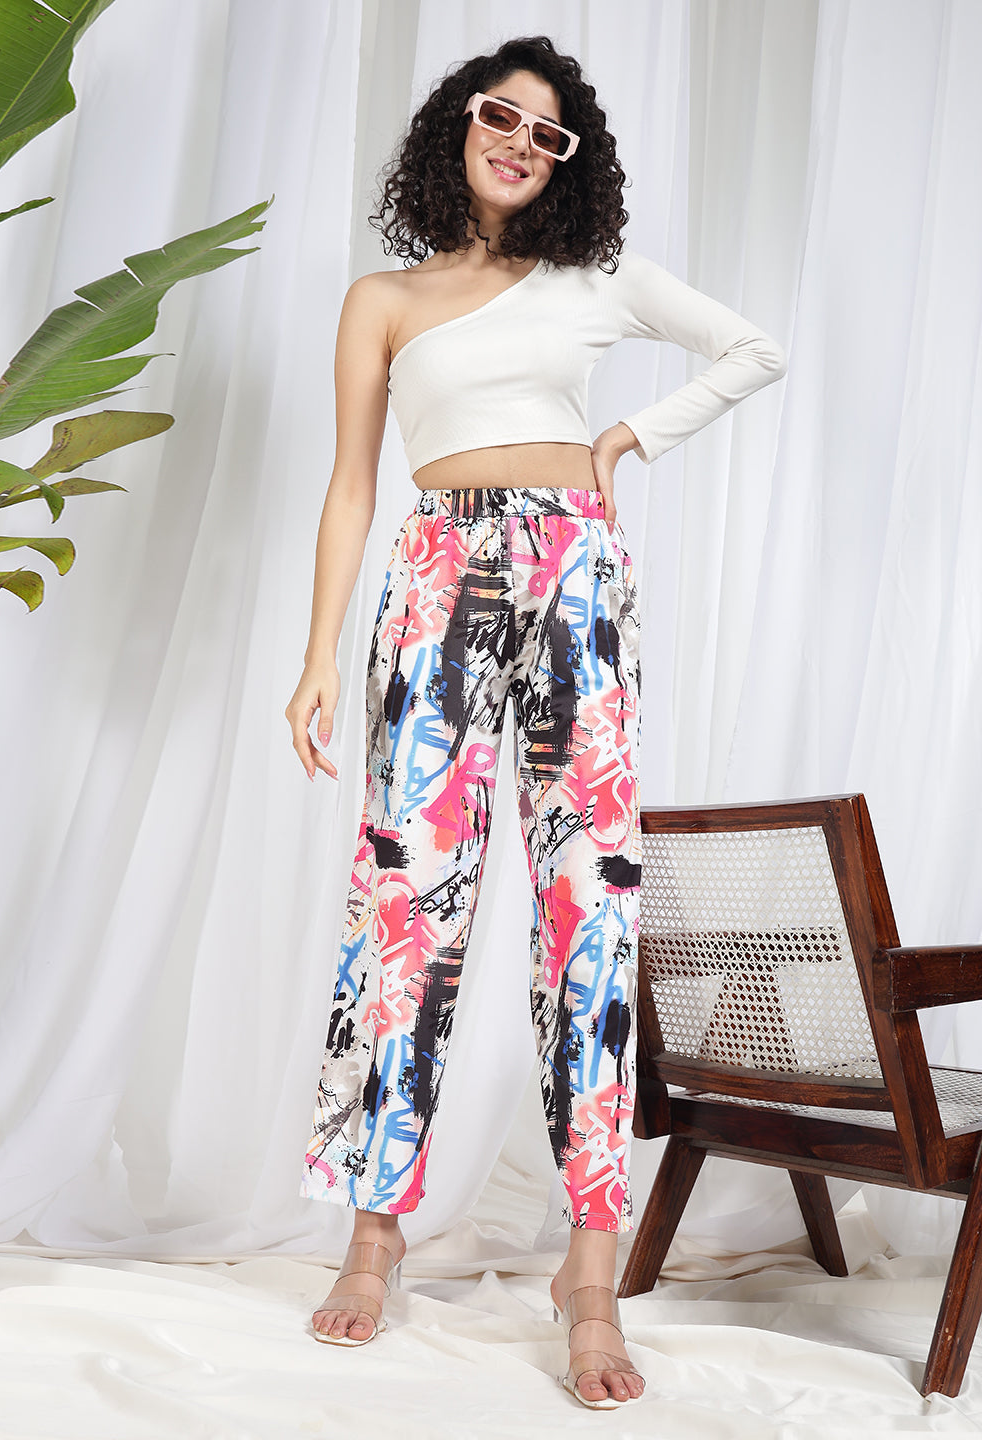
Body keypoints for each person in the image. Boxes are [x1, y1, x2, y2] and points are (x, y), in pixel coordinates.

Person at [285, 34, 787, 1411]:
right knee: (409, 902)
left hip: (575, 575)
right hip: (435, 574)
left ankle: (590, 1270)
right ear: (457, 126)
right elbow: (351, 486)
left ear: (569, 161)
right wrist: (318, 657)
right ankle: (375, 1235)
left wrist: (627, 441)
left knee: (590, 908)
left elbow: (756, 348)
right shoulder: (384, 299)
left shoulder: (595, 276)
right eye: (499, 116)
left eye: (547, 132)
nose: (518, 141)